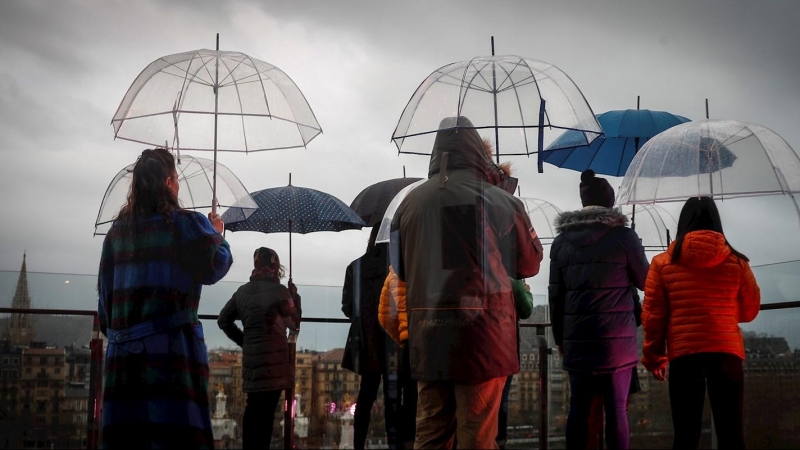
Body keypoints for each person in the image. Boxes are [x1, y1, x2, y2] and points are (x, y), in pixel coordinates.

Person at [390, 116, 544, 449]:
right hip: (483, 336)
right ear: (477, 153)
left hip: (429, 335)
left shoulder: (409, 204)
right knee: (478, 436)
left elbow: (400, 269)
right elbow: (529, 263)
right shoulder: (501, 201)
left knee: (431, 434)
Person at [97, 148, 232, 449]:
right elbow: (216, 264)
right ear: (170, 182)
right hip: (170, 357)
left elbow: (105, 309)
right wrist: (217, 233)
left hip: (122, 361)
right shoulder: (186, 224)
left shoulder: (116, 234)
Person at [642, 196, 760, 449]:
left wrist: (654, 358)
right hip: (727, 353)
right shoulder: (738, 262)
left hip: (685, 354)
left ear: (682, 223)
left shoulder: (663, 264)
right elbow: (750, 312)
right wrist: (722, 313)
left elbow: (653, 318)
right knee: (732, 435)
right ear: (717, 223)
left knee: (686, 436)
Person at [549, 169, 649, 450]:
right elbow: (645, 281)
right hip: (616, 341)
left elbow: (555, 295)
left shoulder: (560, 243)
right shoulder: (624, 238)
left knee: (578, 408)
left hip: (577, 339)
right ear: (610, 202)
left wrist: (560, 340)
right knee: (617, 409)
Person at [217, 247, 301, 449]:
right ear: (274, 266)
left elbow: (223, 320)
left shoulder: (241, 292)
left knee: (253, 409)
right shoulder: (280, 292)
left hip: (252, 362)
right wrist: (294, 297)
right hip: (275, 365)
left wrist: (244, 341)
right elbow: (294, 322)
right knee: (266, 416)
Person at [341, 226, 399, 449]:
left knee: (366, 395)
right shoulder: (401, 267)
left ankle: (358, 444)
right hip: (395, 342)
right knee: (394, 396)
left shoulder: (355, 266)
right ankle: (395, 443)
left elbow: (347, 308)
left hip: (367, 341)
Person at [379, 265, 418, 450]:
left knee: (410, 401)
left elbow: (385, 318)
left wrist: (403, 338)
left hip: (412, 346)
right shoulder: (441, 261)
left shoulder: (396, 272)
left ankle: (409, 443)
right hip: (442, 341)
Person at [496, 278, 534, 450]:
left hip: (476, 344)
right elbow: (526, 309)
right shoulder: (511, 272)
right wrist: (527, 292)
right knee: (502, 399)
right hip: (505, 345)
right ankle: (499, 442)